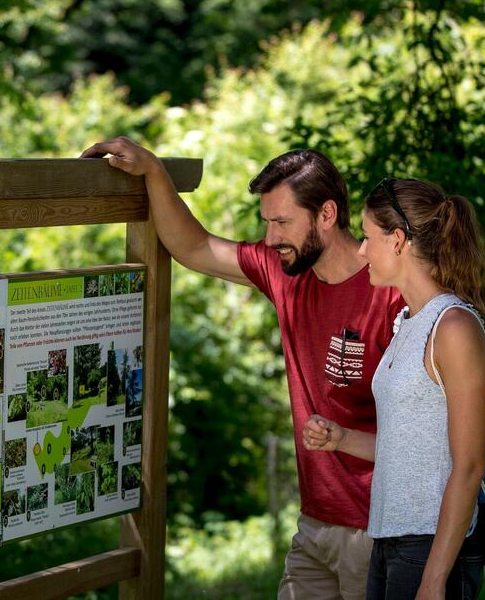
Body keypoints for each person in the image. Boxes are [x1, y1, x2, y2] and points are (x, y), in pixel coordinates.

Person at [81, 137, 403, 599]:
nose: (271, 237)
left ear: (327, 215)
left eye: (282, 222)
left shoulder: (390, 292)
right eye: (266, 223)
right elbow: (193, 247)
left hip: (378, 530)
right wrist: (153, 171)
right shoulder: (284, 270)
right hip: (314, 524)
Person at [302, 178, 485, 599]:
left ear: (397, 241)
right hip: (388, 539)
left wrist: (433, 580)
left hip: (430, 546)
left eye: (368, 237)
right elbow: (408, 446)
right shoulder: (406, 323)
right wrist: (341, 438)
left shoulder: (454, 327)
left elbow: (468, 466)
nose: (359, 249)